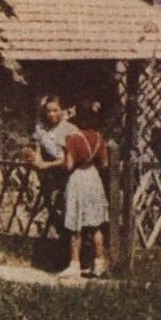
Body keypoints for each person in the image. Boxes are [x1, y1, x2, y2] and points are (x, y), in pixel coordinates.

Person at [57, 101, 109, 280]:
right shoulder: (99, 137)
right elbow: (104, 163)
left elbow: (68, 165)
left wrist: (65, 151)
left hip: (79, 178)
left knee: (76, 224)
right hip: (94, 178)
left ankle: (74, 264)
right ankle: (99, 264)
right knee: (95, 225)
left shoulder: (73, 138)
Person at [26, 94, 78, 179]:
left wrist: (47, 165)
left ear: (62, 110)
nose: (51, 114)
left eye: (55, 110)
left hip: (68, 175)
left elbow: (70, 159)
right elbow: (37, 147)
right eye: (48, 111)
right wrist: (36, 158)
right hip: (47, 176)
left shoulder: (71, 130)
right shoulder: (42, 129)